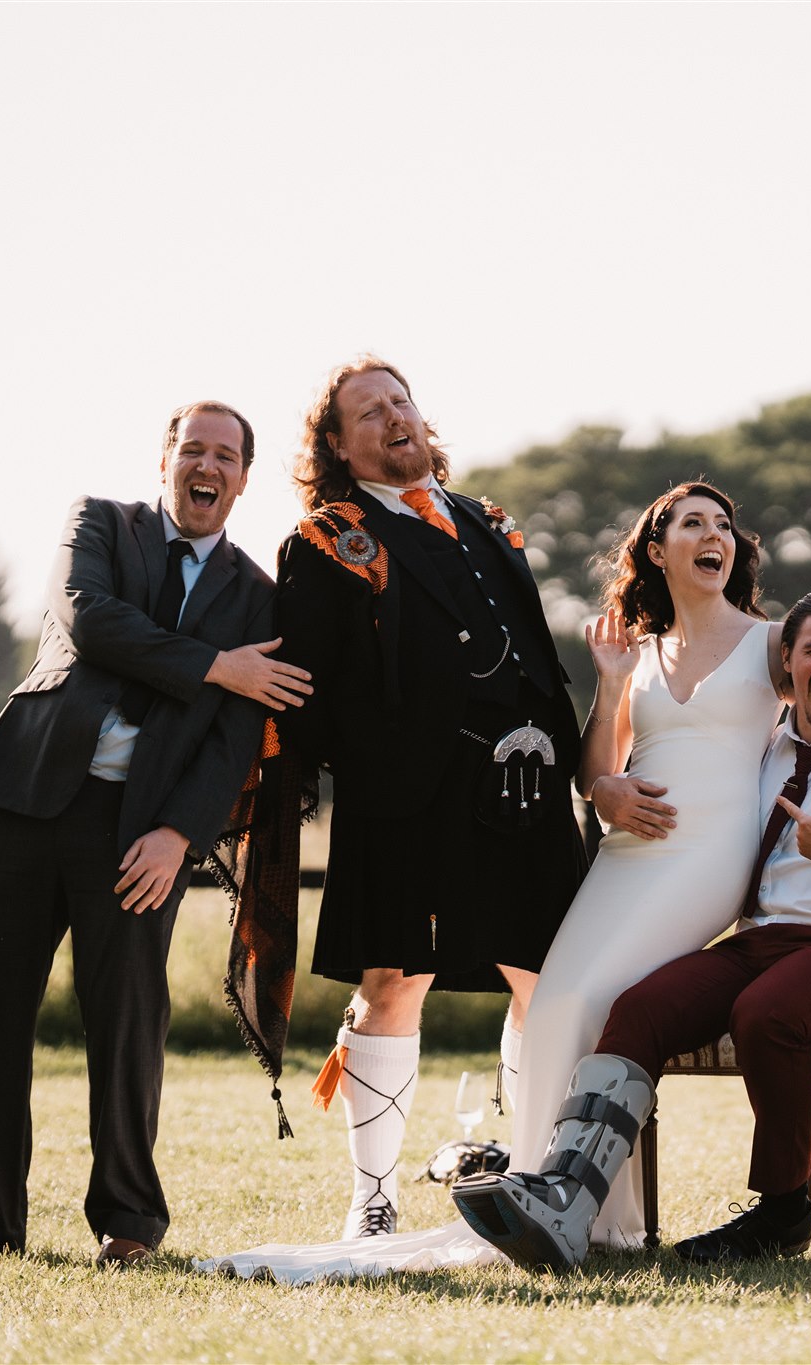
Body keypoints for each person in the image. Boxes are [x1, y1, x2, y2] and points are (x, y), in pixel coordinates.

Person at [198, 482, 811, 1282]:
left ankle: (577, 1204)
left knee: (585, 998)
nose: (717, 536)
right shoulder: (633, 652)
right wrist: (607, 722)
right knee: (559, 1002)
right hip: (625, 859)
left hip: (710, 859)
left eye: (725, 526)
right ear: (657, 547)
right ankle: (552, 1193)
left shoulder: (772, 640)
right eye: (694, 523)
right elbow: (595, 771)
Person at [0, 401, 304, 1267]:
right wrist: (216, 665)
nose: (209, 465)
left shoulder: (260, 595)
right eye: (194, 448)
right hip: (28, 799)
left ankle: (128, 1225)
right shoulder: (101, 526)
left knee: (127, 1027)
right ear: (167, 460)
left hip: (139, 833)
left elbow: (234, 742)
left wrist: (178, 836)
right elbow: (89, 621)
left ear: (242, 479)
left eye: (226, 455)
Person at [455, 590, 811, 1269]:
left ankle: (785, 1210)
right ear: (786, 663)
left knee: (766, 1012)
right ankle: (568, 1195)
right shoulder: (762, 751)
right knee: (636, 1007)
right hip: (757, 944)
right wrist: (606, 788)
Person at [263, 357, 588, 1242]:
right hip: (408, 797)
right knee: (393, 977)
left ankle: (527, 1178)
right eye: (368, 412)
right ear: (337, 444)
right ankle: (374, 1197)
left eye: (400, 401)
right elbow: (310, 687)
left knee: (543, 978)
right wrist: (379, 765)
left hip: (524, 789)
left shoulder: (489, 522)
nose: (393, 417)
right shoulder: (329, 537)